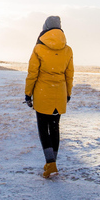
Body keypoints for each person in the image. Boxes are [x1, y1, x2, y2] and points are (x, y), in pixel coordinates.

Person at [24, 15, 74, 178]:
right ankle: (52, 163)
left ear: (45, 28)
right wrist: (67, 93)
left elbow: (32, 73)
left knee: (43, 129)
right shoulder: (67, 50)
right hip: (59, 94)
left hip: (42, 94)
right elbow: (69, 74)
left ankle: (50, 163)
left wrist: (28, 93)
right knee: (54, 128)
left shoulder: (39, 48)